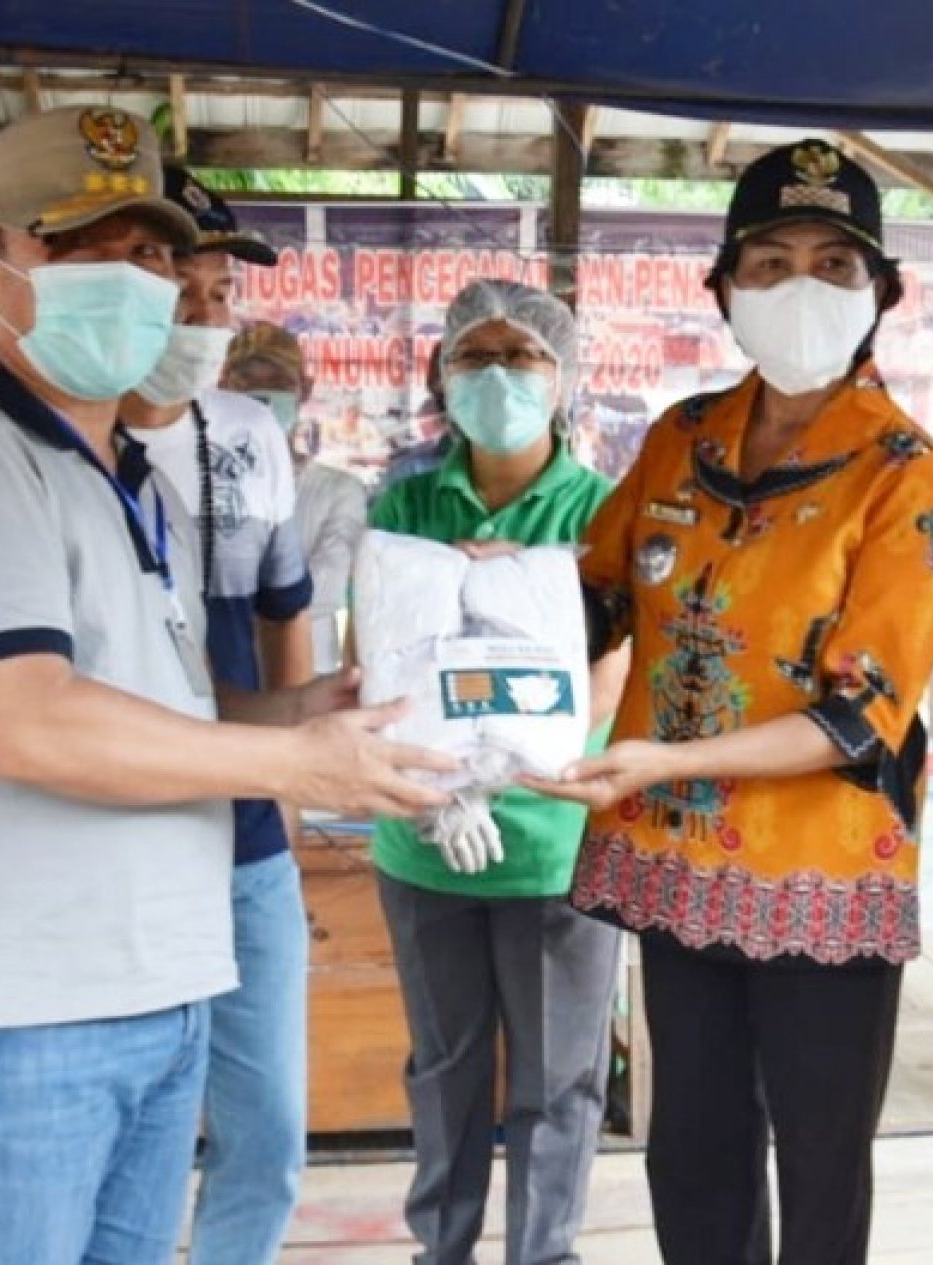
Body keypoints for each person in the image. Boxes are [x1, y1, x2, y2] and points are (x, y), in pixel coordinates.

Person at [0, 106, 453, 1265]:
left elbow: (154, 709)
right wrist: (288, 763)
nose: (134, 282)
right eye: (82, 248)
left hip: (159, 980)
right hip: (29, 1004)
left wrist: (303, 708)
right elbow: (28, 718)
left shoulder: (123, 475)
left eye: (151, 255)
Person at [530, 140, 933, 1265]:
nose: (799, 288)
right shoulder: (680, 437)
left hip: (822, 876)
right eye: (768, 261)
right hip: (680, 867)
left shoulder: (910, 476)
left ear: (883, 294)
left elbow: (859, 717)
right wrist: (489, 605)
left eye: (834, 262)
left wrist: (664, 760)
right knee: (695, 1150)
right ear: (722, 287)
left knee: (820, 1163)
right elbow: (597, 596)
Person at [367, 278, 629, 1265]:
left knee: (560, 1078)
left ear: (563, 377)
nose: (499, 375)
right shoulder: (406, 501)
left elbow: (611, 671)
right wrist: (444, 784)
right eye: (476, 355)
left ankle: (543, 1252)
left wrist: (509, 756)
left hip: (556, 844)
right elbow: (381, 668)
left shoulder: (601, 511)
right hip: (423, 833)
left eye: (523, 357)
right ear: (442, 371)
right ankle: (442, 1248)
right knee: (444, 1066)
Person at [119, 168, 314, 1265]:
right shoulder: (66, 438)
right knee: (146, 1123)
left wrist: (284, 784)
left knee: (272, 1124)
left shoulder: (248, 432)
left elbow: (287, 617)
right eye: (177, 291)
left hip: (244, 835)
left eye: (215, 296)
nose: (201, 317)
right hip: (128, 832)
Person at [223, 319, 369, 675]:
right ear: (222, 387)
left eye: (277, 383)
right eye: (248, 384)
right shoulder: (201, 486)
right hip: (220, 677)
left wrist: (231, 602)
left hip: (308, 678)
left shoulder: (338, 490)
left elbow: (328, 588)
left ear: (304, 388)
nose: (261, 395)